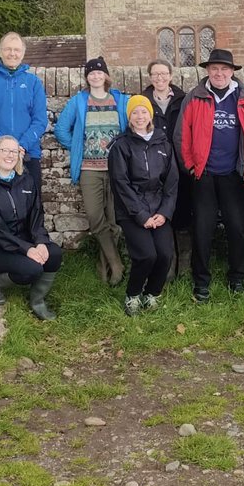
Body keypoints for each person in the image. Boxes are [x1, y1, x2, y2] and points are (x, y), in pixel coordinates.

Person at [174, 48, 244, 302]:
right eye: (214, 69)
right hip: (204, 174)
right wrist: (190, 166)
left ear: (232, 72)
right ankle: (201, 282)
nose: (219, 73)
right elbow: (181, 135)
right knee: (201, 229)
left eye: (224, 69)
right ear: (207, 71)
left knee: (236, 229)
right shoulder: (194, 97)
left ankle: (237, 278)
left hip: (233, 175)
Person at [0, 135, 62, 318]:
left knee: (54, 254)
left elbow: (36, 215)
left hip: (22, 242)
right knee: (32, 269)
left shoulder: (26, 181)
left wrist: (41, 242)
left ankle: (37, 301)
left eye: (14, 151)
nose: (10, 155)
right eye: (5, 150)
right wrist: (27, 249)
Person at [55, 57, 129, 285]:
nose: (95, 76)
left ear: (106, 76)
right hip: (89, 169)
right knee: (96, 218)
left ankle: (105, 263)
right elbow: (60, 130)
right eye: (91, 73)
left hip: (117, 170)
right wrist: (78, 145)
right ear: (87, 77)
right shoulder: (79, 101)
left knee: (115, 221)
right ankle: (116, 264)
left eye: (99, 73)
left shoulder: (120, 100)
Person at [108, 95, 179, 315]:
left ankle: (152, 294)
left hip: (158, 208)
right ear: (129, 117)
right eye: (135, 112)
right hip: (132, 211)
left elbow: (172, 181)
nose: (140, 116)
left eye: (144, 112)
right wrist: (141, 215)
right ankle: (133, 295)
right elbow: (121, 184)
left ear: (150, 115)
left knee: (165, 255)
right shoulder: (121, 146)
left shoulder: (163, 143)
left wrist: (164, 213)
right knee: (146, 255)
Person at [0, 32, 48, 192]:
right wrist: (4, 147)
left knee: (32, 206)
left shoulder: (33, 83)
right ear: (0, 51)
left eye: (16, 50)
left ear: (23, 53)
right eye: (8, 49)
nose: (12, 53)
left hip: (27, 154)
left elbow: (40, 120)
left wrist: (21, 146)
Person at [142, 58, 192, 278]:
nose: (160, 78)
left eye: (163, 74)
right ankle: (167, 267)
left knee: (182, 214)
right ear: (150, 77)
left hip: (181, 165)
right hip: (154, 167)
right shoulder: (142, 101)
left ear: (171, 76)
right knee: (162, 215)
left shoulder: (184, 99)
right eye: (155, 74)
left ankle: (186, 266)